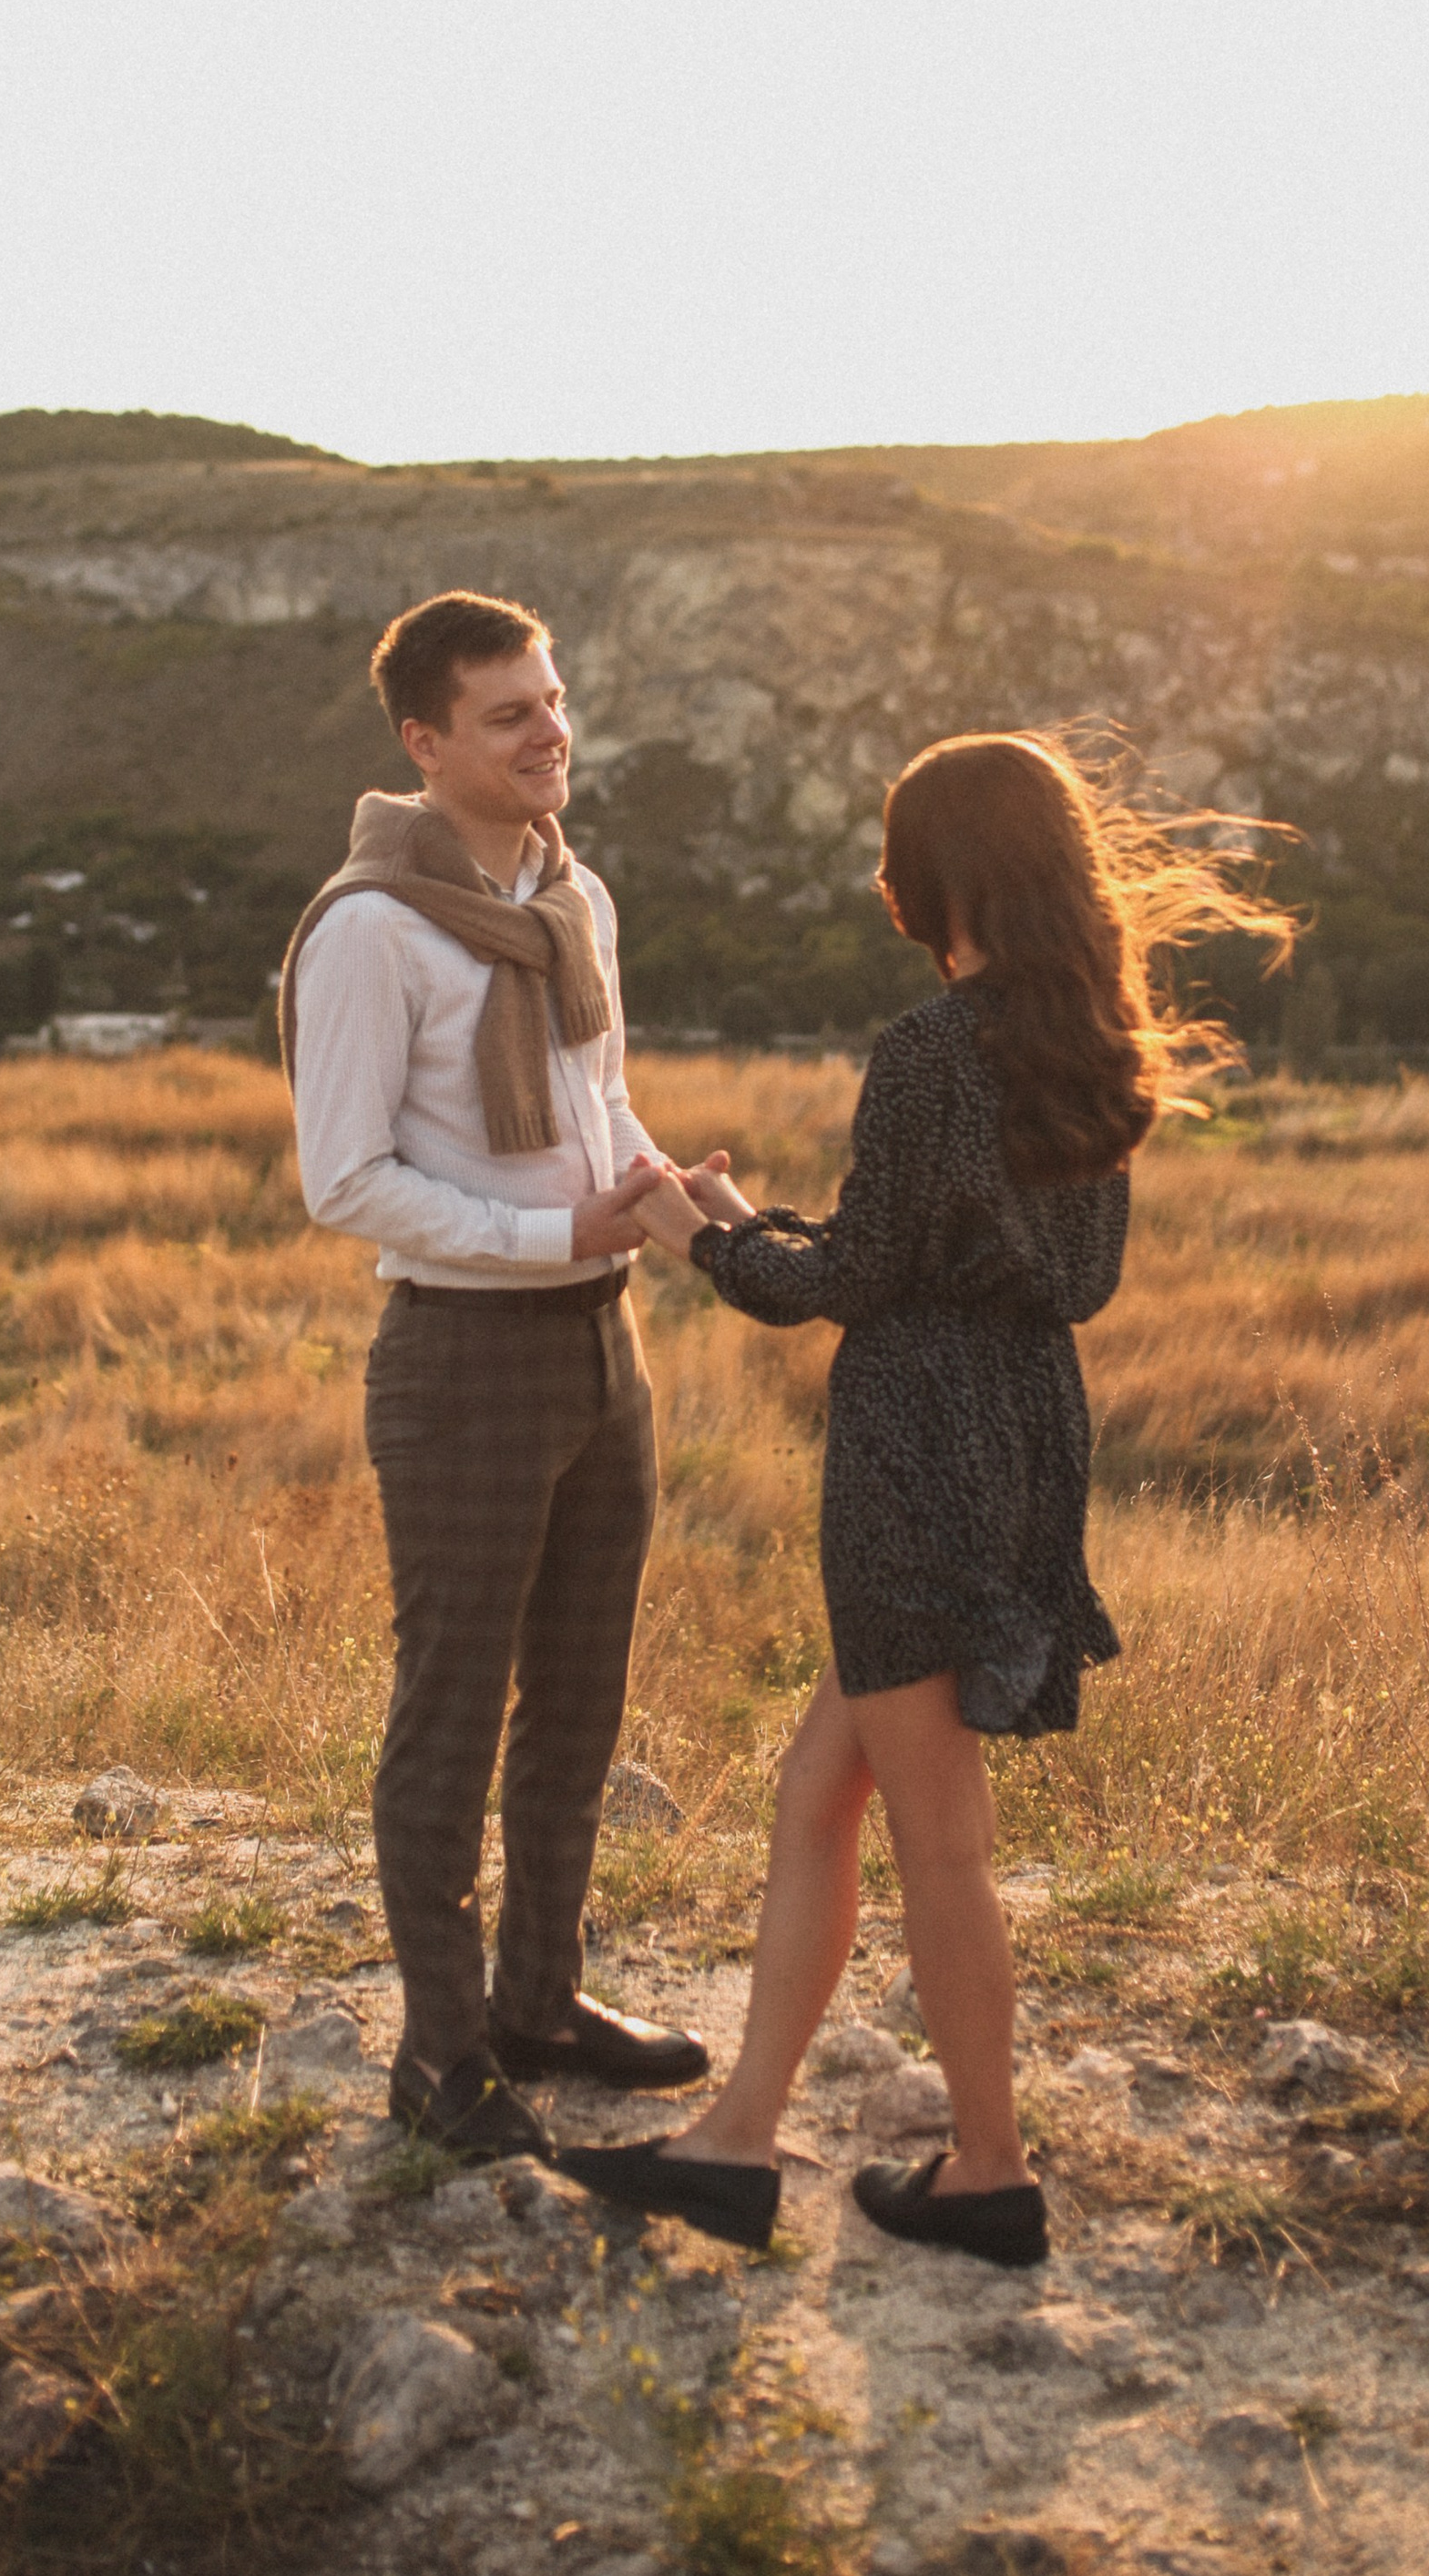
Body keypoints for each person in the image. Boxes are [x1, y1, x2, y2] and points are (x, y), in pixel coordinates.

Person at [554, 730, 1292, 2261]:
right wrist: (747, 1216)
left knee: (940, 1842)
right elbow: (913, 1252)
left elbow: (854, 1288)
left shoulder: (932, 1047)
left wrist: (695, 1239)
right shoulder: (1086, 1037)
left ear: (926, 876)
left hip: (914, 1453)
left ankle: (991, 2175)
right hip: (1026, 1432)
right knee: (818, 1793)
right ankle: (739, 2139)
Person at [281, 588, 715, 2161]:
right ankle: (440, 2056)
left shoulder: (573, 896)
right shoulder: (369, 931)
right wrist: (550, 1238)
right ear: (425, 742)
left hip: (606, 1341)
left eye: (555, 700)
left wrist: (673, 1194)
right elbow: (344, 1181)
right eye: (510, 713)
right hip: (463, 1358)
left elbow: (603, 1103)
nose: (551, 734)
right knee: (452, 1713)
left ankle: (540, 2003)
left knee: (581, 1702)